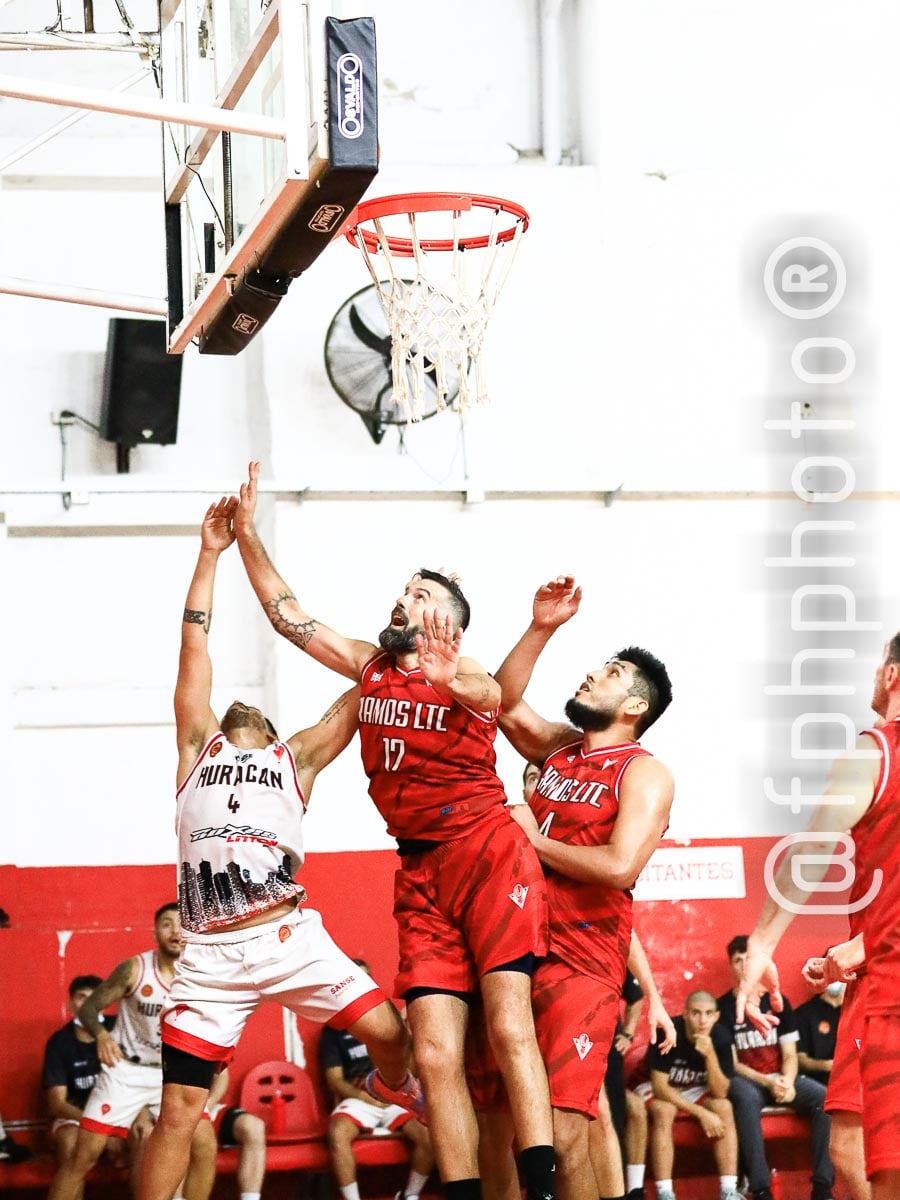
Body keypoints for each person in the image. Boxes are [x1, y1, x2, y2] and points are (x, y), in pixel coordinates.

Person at [232, 463, 556, 1200]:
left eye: (421, 594)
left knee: (508, 1029)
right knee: (434, 1055)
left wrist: (451, 676)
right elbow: (289, 615)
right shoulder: (372, 668)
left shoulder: (465, 673)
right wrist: (247, 536)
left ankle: (540, 1185)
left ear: (450, 621)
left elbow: (494, 693)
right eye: (404, 591)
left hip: (488, 853)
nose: (403, 600)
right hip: (419, 871)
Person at [138, 496, 413, 1200]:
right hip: (207, 957)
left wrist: (401, 640)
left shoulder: (300, 759)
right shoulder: (197, 749)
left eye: (251, 706)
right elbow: (192, 647)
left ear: (264, 722)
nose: (237, 703)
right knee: (178, 1114)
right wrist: (210, 554)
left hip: (289, 936)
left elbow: (365, 686)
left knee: (391, 1035)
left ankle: (392, 1090)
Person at [490, 574, 675, 1200]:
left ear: (635, 706)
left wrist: (530, 841)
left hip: (583, 960)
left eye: (612, 672)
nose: (593, 675)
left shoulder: (645, 773)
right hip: (515, 947)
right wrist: (542, 627)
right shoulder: (563, 752)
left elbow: (621, 867)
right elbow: (502, 703)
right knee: (520, 1132)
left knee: (562, 1137)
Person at [735, 636, 900, 1200]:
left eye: (879, 661)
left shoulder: (876, 751)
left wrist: (759, 948)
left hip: (891, 994)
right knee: (850, 1144)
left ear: (893, 676)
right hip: (873, 971)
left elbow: (810, 854)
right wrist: (861, 947)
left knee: (875, 1161)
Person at [47, 906, 217, 1200]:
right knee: (83, 1157)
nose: (175, 931)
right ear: (155, 933)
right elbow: (89, 1008)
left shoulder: (199, 975)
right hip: (126, 1071)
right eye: (167, 924)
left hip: (170, 1073)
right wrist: (101, 1035)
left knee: (204, 1145)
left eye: (181, 925)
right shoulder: (135, 970)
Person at [718, 936, 834, 1200]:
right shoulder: (722, 1009)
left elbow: (790, 1054)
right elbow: (733, 1065)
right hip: (749, 1081)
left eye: (749, 960)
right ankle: (760, 1188)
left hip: (782, 1078)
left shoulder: (778, 1002)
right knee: (743, 1097)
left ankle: (823, 1187)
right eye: (738, 961)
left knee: (824, 1098)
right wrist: (770, 1083)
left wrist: (788, 1081)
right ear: (730, 966)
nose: (744, 966)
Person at [319, 961, 433, 1200]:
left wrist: (409, 1034)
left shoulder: (387, 1019)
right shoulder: (333, 1029)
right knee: (338, 1133)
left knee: (430, 1133)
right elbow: (335, 1080)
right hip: (360, 1099)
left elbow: (410, 1069)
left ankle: (410, 1195)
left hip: (393, 1096)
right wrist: (365, 1097)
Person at [636, 991, 739, 1200]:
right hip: (655, 1085)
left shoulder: (721, 1037)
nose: (702, 1020)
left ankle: (729, 1191)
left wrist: (710, 1055)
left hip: (692, 1087)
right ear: (685, 1014)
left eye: (708, 1014)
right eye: (696, 1013)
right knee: (664, 1110)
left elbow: (720, 1092)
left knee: (724, 1107)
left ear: (716, 1017)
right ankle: (665, 1192)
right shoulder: (668, 1032)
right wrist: (701, 1113)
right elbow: (659, 1088)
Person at [42, 974, 126, 1186]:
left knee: (146, 1136)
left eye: (94, 997)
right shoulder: (59, 1043)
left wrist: (115, 1127)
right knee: (71, 1144)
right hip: (77, 1117)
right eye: (82, 997)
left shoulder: (119, 1031)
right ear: (71, 1003)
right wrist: (98, 1127)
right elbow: (57, 1104)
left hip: (118, 1114)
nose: (88, 1003)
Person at [206, 1068, 266, 1200]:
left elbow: (222, 1075)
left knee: (253, 1127)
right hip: (166, 1112)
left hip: (205, 1108)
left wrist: (206, 1107)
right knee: (178, 1135)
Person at [795, 968, 844, 1088]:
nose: (836, 979)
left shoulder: (858, 1012)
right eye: (832, 972)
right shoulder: (804, 1014)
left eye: (841, 973)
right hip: (820, 1082)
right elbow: (800, 1060)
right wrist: (829, 1066)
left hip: (855, 1081)